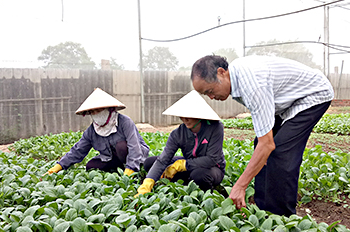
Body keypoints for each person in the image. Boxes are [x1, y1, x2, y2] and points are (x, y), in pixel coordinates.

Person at [191, 55, 334, 217]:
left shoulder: (252, 85)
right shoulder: (236, 77)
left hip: (312, 95)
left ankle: (282, 218)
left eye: (210, 91)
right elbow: (263, 140)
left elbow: (268, 145)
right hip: (285, 102)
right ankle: (262, 208)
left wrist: (240, 186)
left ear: (221, 72)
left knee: (281, 153)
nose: (211, 97)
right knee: (260, 145)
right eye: (206, 94)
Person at [136, 90, 225, 196]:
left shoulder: (215, 128)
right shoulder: (178, 133)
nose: (184, 119)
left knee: (199, 175)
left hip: (212, 168)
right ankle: (186, 182)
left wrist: (181, 165)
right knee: (150, 163)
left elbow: (212, 159)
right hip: (190, 164)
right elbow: (162, 160)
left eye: (188, 115)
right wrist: (147, 183)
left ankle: (204, 192)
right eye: (181, 115)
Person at [46, 88, 149, 176]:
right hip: (112, 157)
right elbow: (78, 150)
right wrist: (58, 166)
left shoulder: (124, 122)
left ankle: (131, 169)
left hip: (136, 157)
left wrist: (130, 170)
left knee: (121, 146)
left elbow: (135, 148)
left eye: (99, 110)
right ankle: (119, 169)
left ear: (109, 108)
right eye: (92, 112)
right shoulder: (92, 131)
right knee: (91, 166)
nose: (96, 114)